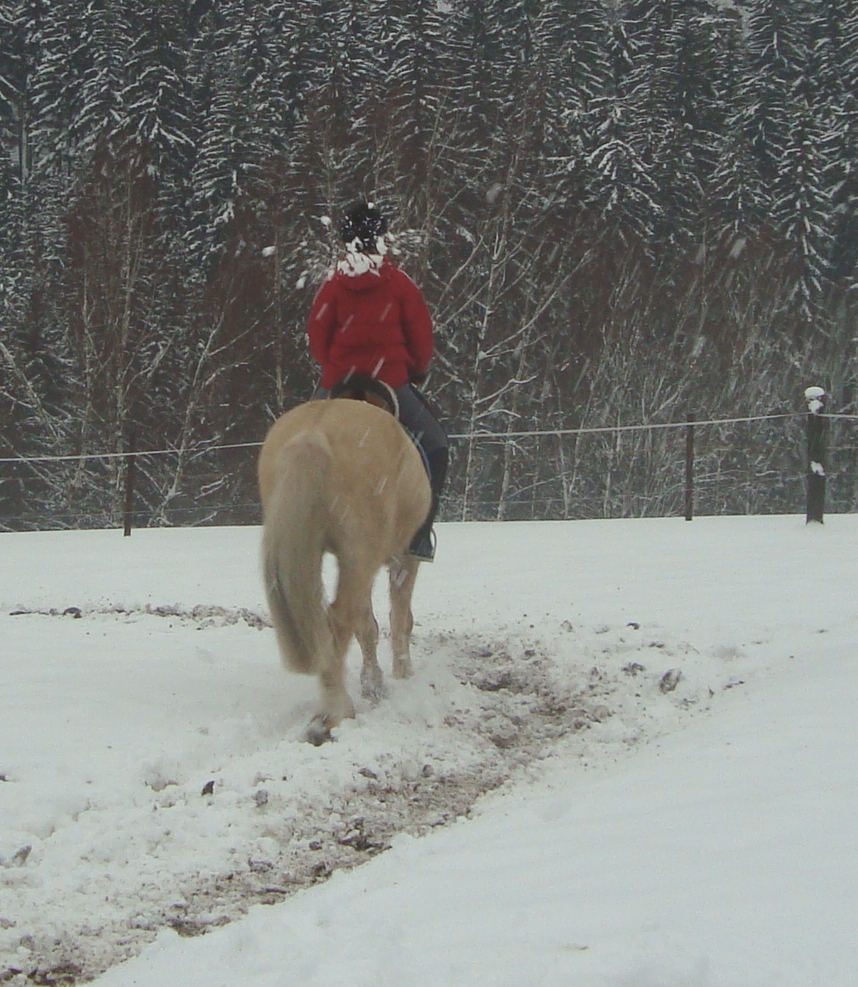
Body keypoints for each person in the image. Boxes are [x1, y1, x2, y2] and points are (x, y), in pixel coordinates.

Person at [306, 200, 448, 562]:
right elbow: (421, 339)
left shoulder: (332, 287)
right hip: (390, 383)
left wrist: (337, 369)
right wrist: (413, 370)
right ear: (380, 239)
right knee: (435, 446)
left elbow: (317, 337)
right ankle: (418, 535)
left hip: (339, 384)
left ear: (346, 241)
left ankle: (307, 526)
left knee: (300, 444)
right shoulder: (400, 284)